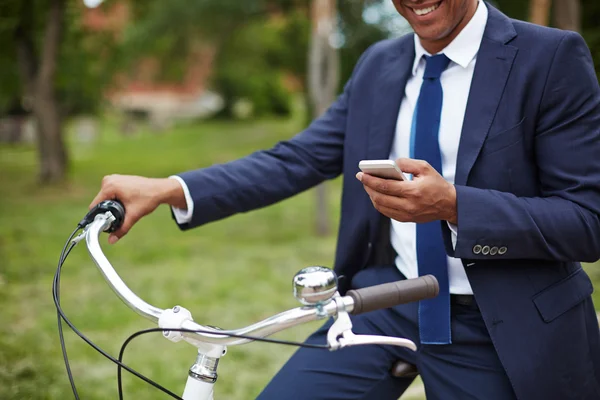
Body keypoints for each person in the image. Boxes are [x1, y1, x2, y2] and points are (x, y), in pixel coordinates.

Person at [90, 0, 600, 398]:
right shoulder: (380, 63)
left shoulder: (550, 57)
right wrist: (169, 188)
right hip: (390, 299)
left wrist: (455, 206)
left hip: (497, 324)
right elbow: (297, 159)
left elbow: (586, 219)